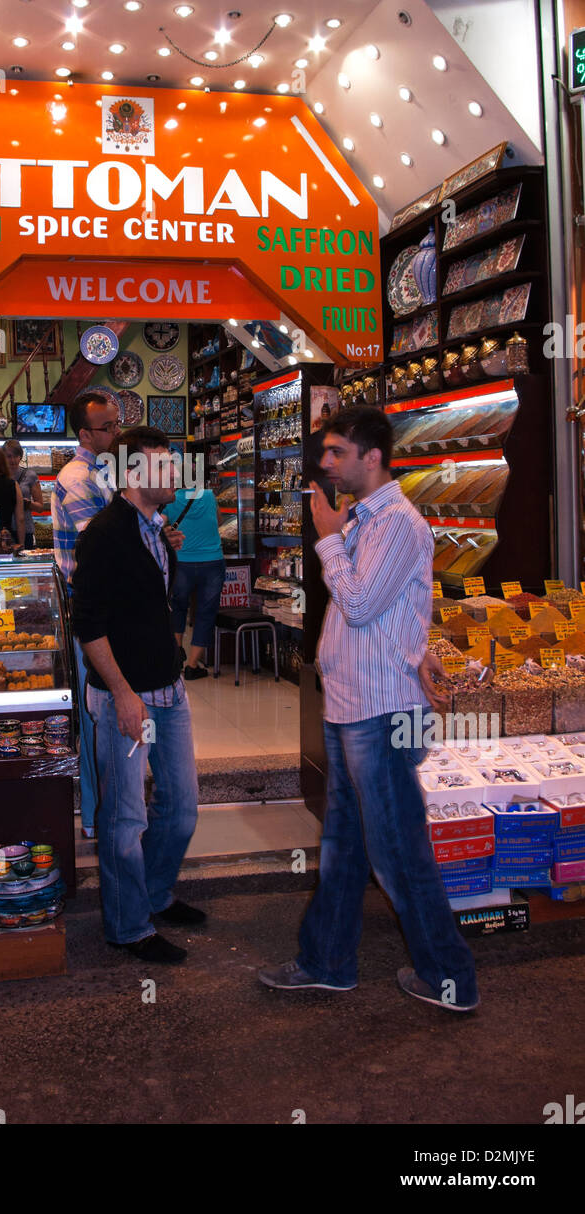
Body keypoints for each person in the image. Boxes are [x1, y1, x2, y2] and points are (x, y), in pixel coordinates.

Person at [259, 405, 479, 1012]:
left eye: (336, 452)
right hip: (353, 704)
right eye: (324, 453)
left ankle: (450, 978)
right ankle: (327, 961)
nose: (325, 463)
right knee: (347, 844)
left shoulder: (397, 524)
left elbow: (357, 604)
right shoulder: (365, 520)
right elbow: (397, 607)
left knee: (398, 851)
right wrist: (422, 644)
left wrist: (328, 539)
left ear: (372, 457)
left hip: (381, 713)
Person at [71, 426, 202, 964]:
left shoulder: (155, 527)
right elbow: (90, 624)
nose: (174, 473)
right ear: (131, 475)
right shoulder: (103, 534)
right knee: (126, 820)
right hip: (127, 697)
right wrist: (124, 693)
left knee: (183, 807)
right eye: (162, 465)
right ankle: (127, 926)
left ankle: (153, 893)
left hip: (167, 688)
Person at [51, 392, 120, 840]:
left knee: (106, 712)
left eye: (116, 424)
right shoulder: (78, 478)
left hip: (105, 607)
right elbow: (100, 544)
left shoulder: (99, 473)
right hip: (90, 611)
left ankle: (110, 811)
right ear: (85, 434)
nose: (116, 433)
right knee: (97, 714)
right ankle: (97, 816)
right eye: (108, 427)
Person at [163, 476, 226, 680]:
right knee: (206, 613)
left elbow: (160, 526)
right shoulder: (209, 496)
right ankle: (192, 665)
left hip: (181, 562)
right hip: (212, 562)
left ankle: (177, 651)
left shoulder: (171, 500)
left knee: (178, 607)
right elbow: (219, 521)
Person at [4, 439, 44, 551]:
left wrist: (28, 504)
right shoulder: (0, 476)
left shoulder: (30, 475)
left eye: (15, 456)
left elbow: (40, 507)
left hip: (26, 530)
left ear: (20, 456)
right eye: (8, 456)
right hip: (4, 531)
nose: (12, 460)